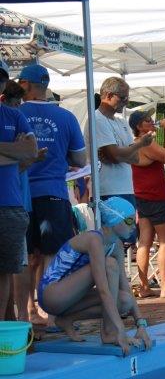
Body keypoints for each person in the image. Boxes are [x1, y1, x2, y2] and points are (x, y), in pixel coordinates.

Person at [18, 64, 87, 329]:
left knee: (24, 257)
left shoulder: (13, 113)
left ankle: (26, 313)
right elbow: (80, 159)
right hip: (53, 193)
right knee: (52, 255)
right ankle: (50, 313)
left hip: (20, 194)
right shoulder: (66, 117)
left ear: (25, 84)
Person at [37, 197, 152, 355]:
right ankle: (109, 332)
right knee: (110, 265)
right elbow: (103, 290)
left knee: (125, 301)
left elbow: (125, 286)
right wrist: (121, 330)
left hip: (71, 297)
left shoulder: (116, 245)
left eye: (134, 221)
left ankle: (67, 319)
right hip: (52, 295)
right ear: (114, 220)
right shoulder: (94, 239)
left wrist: (141, 325)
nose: (134, 226)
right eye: (129, 221)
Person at [0, 60, 38, 320]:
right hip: (11, 204)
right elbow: (22, 153)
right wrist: (13, 152)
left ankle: (4, 327)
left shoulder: (14, 115)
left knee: (5, 271)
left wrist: (18, 152)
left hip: (10, 205)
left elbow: (30, 151)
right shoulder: (15, 118)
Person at [129, 110, 165, 299]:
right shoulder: (146, 142)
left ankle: (144, 286)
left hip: (142, 196)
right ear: (139, 126)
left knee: (145, 242)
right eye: (148, 120)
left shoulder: (134, 143)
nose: (152, 121)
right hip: (156, 196)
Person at [93, 77, 154, 204]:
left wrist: (120, 154)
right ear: (109, 95)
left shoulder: (122, 122)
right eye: (123, 98)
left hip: (126, 189)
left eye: (127, 98)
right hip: (108, 191)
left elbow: (135, 158)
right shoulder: (97, 119)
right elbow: (115, 156)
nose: (126, 102)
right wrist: (139, 145)